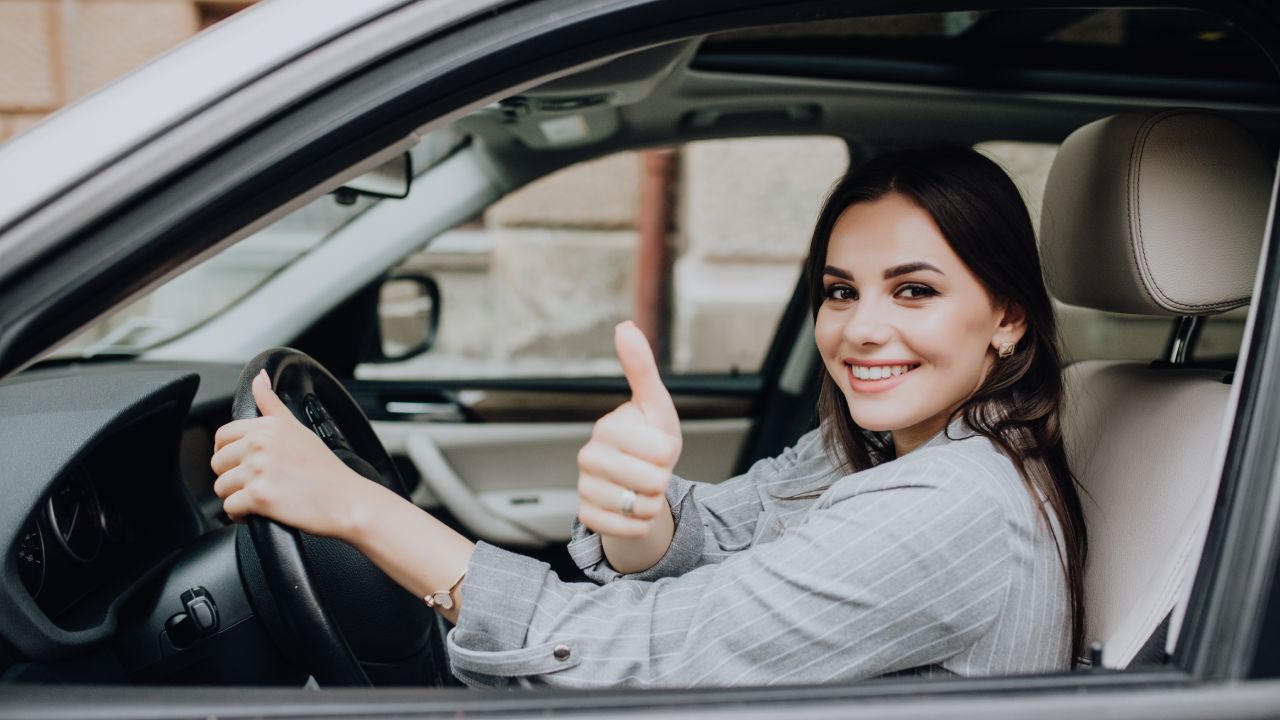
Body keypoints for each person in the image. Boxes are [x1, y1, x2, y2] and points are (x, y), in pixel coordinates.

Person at [210, 146, 1087, 689]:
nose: (861, 329)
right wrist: (645, 518)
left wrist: (360, 510)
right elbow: (724, 528)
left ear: (1006, 316)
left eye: (914, 291)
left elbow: (637, 657)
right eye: (839, 292)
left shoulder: (949, 505)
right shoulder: (876, 447)